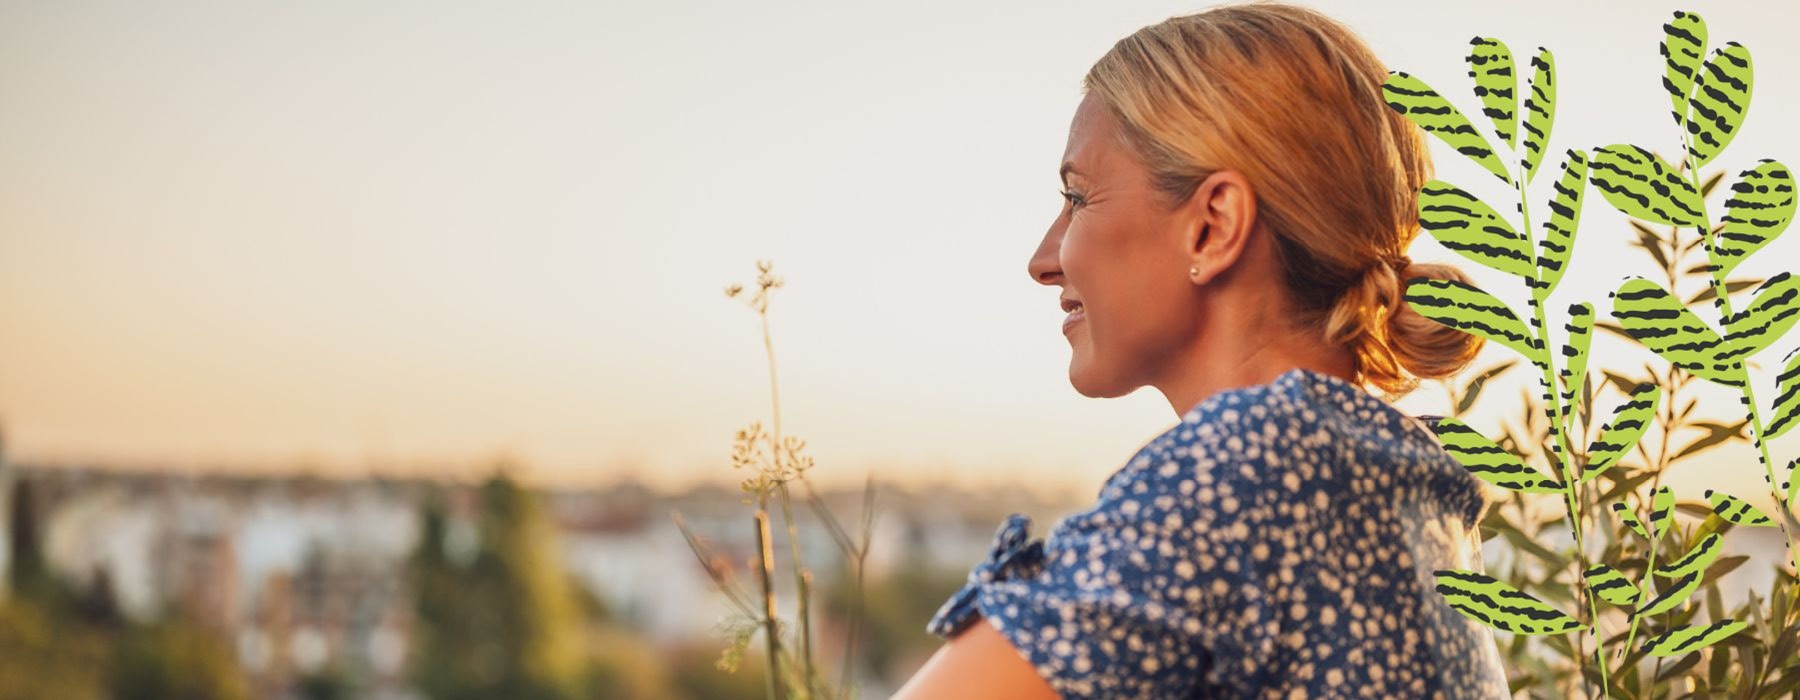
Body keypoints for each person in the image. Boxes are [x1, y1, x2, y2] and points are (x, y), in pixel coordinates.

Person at [891, 4, 1512, 698]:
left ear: (1213, 226)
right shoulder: (1411, 488)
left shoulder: (1245, 473)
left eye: (1077, 197)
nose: (1044, 259)